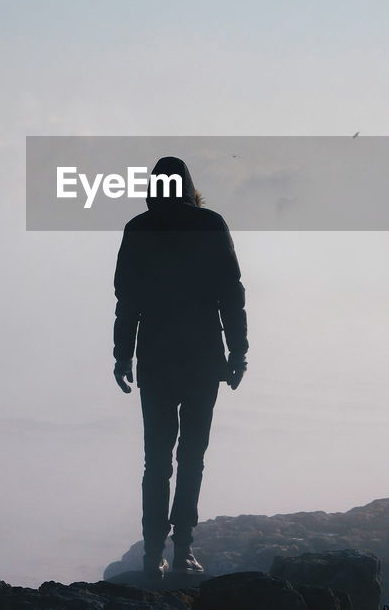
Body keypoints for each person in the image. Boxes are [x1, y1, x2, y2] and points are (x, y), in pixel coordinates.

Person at [112, 155, 248, 579]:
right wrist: (237, 352)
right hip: (203, 358)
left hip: (155, 359)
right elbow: (231, 293)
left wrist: (122, 355)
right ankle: (183, 548)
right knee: (192, 457)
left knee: (157, 461)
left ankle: (155, 553)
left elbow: (127, 301)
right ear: (190, 187)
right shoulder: (210, 224)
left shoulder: (138, 229)